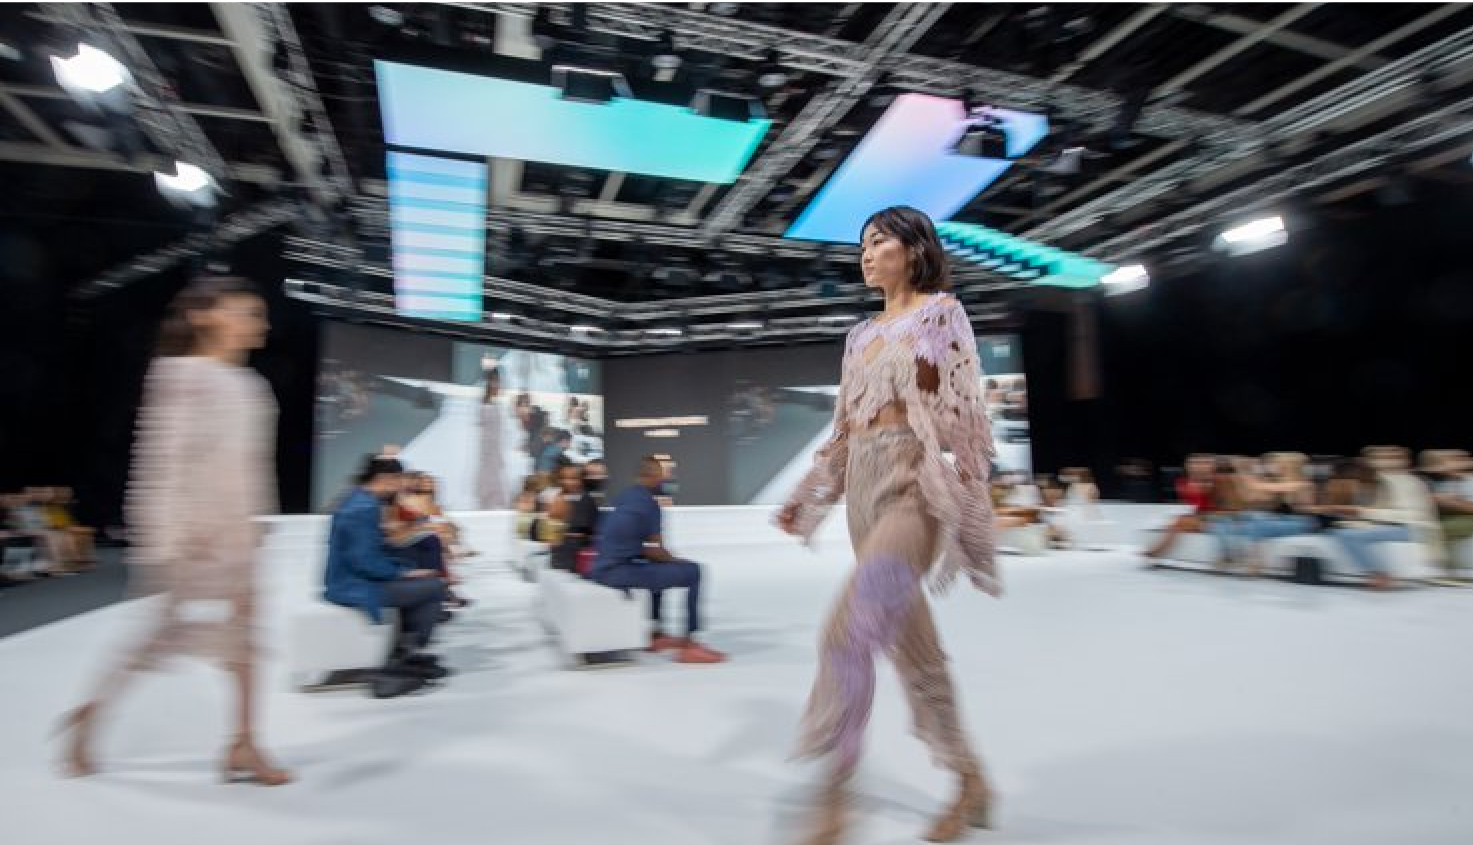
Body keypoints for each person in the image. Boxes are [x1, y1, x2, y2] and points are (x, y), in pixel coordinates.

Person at [777, 206, 997, 844]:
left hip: (913, 493)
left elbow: (966, 415)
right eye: (862, 245)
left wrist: (972, 505)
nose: (866, 254)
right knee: (916, 655)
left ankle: (837, 793)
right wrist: (812, 494)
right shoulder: (858, 336)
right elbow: (845, 428)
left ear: (913, 248)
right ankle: (970, 779)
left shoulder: (942, 315)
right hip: (863, 497)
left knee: (845, 633)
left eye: (878, 241)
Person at [57, 276, 290, 784]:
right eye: (245, 311)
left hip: (235, 531)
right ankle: (90, 717)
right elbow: (160, 459)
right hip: (192, 534)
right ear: (204, 316)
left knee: (246, 640)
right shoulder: (180, 374)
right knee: (157, 636)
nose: (258, 323)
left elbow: (252, 464)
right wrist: (161, 536)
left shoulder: (252, 384)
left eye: (258, 314)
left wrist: (257, 519)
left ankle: (244, 742)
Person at [324, 456, 450, 692]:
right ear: (384, 479)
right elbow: (365, 562)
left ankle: (406, 652)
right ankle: (400, 657)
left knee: (425, 575)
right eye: (398, 480)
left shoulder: (359, 500)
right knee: (434, 587)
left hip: (356, 578)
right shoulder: (363, 508)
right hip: (354, 584)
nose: (401, 486)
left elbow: (370, 553)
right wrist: (404, 573)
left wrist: (407, 569)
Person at [590, 456, 726, 664]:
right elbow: (656, 550)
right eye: (663, 475)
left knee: (657, 568)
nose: (665, 480)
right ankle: (691, 644)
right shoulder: (650, 505)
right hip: (618, 572)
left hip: (602, 568)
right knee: (694, 572)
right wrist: (676, 561)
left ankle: (656, 633)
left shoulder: (625, 496)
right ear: (653, 476)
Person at [550, 463, 599, 572]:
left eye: (573, 478)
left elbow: (582, 533)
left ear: (581, 479)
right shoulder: (560, 497)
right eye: (564, 478)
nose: (568, 482)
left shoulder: (585, 500)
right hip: (561, 554)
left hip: (576, 555)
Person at [476, 367, 509, 510]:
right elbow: (486, 437)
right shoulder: (486, 407)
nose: (499, 385)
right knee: (490, 490)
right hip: (488, 455)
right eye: (496, 382)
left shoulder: (494, 405)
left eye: (499, 382)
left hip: (493, 455)